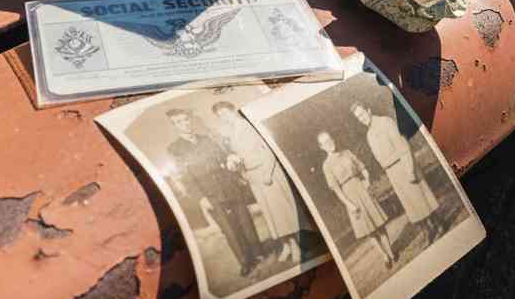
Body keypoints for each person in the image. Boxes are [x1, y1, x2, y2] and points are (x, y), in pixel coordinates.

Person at [165, 108, 263, 276]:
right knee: (228, 228)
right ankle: (245, 261)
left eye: (186, 119)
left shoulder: (206, 139)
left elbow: (222, 155)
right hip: (209, 194)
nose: (185, 124)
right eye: (179, 122)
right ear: (175, 126)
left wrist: (230, 158)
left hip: (228, 185)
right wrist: (201, 198)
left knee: (245, 219)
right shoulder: (175, 149)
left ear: (190, 119)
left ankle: (258, 252)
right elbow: (184, 176)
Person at [212, 102, 306, 265]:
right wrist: (238, 166)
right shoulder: (232, 133)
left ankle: (295, 245)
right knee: (271, 215)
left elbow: (268, 149)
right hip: (253, 176)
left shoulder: (247, 125)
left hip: (266, 172)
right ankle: (285, 245)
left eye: (225, 112)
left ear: (232, 110)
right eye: (220, 116)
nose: (224, 117)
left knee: (280, 212)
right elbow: (241, 155)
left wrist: (267, 173)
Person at [352, 102, 443, 244]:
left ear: (368, 110)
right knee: (411, 204)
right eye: (358, 117)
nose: (362, 118)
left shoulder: (385, 122)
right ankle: (428, 230)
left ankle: (440, 224)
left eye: (362, 113)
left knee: (420, 197)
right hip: (392, 173)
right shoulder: (369, 135)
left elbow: (403, 145)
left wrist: (410, 170)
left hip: (403, 164)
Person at [318, 130, 396, 267]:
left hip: (362, 190)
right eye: (325, 142)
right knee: (368, 231)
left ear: (333, 139)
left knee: (379, 224)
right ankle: (385, 257)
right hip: (349, 196)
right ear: (322, 147)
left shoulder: (347, 153)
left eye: (329, 139)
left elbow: (363, 168)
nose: (329, 143)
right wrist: (349, 205)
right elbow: (336, 189)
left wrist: (367, 180)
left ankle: (391, 253)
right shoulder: (326, 166)